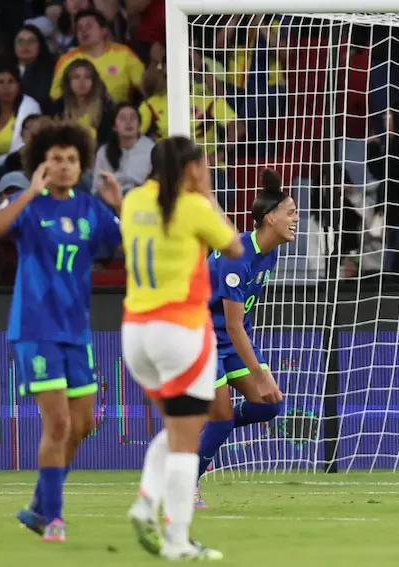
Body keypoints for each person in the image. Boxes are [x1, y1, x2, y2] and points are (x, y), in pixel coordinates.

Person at [0, 119, 123, 541]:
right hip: (35, 329)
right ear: (41, 164)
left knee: (84, 424)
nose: (64, 166)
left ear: (82, 164)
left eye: (71, 159)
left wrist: (118, 207)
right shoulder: (29, 205)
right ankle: (53, 519)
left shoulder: (90, 208)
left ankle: (41, 505)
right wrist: (28, 192)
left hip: (76, 332)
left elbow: (128, 245)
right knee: (57, 423)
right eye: (56, 159)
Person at [120, 135, 243, 560]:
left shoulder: (133, 201)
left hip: (135, 331)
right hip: (179, 331)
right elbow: (234, 246)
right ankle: (176, 539)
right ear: (190, 169)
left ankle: (145, 502)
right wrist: (207, 196)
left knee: (178, 428)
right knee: (187, 437)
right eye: (202, 166)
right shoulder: (192, 206)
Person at [195, 169, 297, 508]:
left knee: (269, 406)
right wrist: (261, 373)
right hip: (203, 338)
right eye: (291, 212)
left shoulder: (270, 252)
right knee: (223, 419)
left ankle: (210, 427)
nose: (296, 218)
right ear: (270, 218)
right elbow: (234, 325)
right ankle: (185, 482)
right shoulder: (236, 258)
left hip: (229, 338)